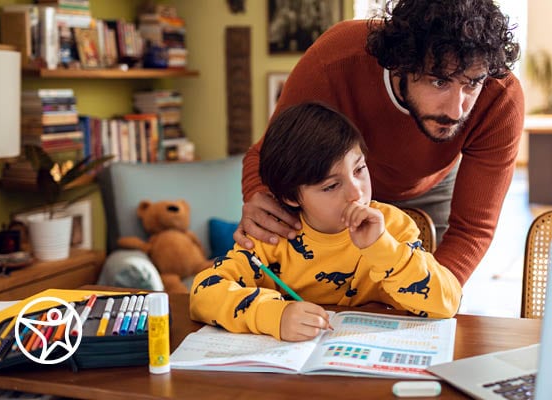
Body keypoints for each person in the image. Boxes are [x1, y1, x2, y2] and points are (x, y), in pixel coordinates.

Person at [237, 0, 523, 286]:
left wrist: (432, 296)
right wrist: (260, 197)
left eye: (471, 84)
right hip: (338, 190)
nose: (456, 111)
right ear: (400, 64)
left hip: (432, 188)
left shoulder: (500, 96)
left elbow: (471, 230)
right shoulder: (334, 60)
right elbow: (265, 155)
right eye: (439, 82)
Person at [190, 102, 462, 342]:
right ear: (291, 197)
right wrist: (273, 315)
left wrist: (383, 248)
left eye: (359, 169)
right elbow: (203, 292)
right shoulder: (272, 236)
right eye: (331, 186)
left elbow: (447, 303)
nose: (356, 193)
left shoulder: (393, 227)